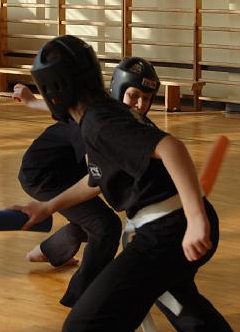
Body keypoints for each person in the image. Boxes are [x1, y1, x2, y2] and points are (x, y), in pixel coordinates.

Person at [15, 35, 238, 332]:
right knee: (183, 307)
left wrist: (195, 219)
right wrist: (47, 206)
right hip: (171, 227)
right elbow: (95, 179)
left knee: (84, 328)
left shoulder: (100, 122)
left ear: (54, 90)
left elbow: (171, 147)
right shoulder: (100, 116)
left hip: (168, 231)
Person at [13, 56, 163, 308]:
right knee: (105, 226)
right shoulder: (98, 124)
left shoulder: (111, 112)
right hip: (43, 175)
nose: (140, 104)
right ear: (118, 90)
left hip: (69, 170)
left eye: (147, 98)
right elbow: (96, 179)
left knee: (94, 219)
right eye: (134, 95)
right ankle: (82, 299)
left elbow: (66, 108)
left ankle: (50, 251)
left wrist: (30, 101)